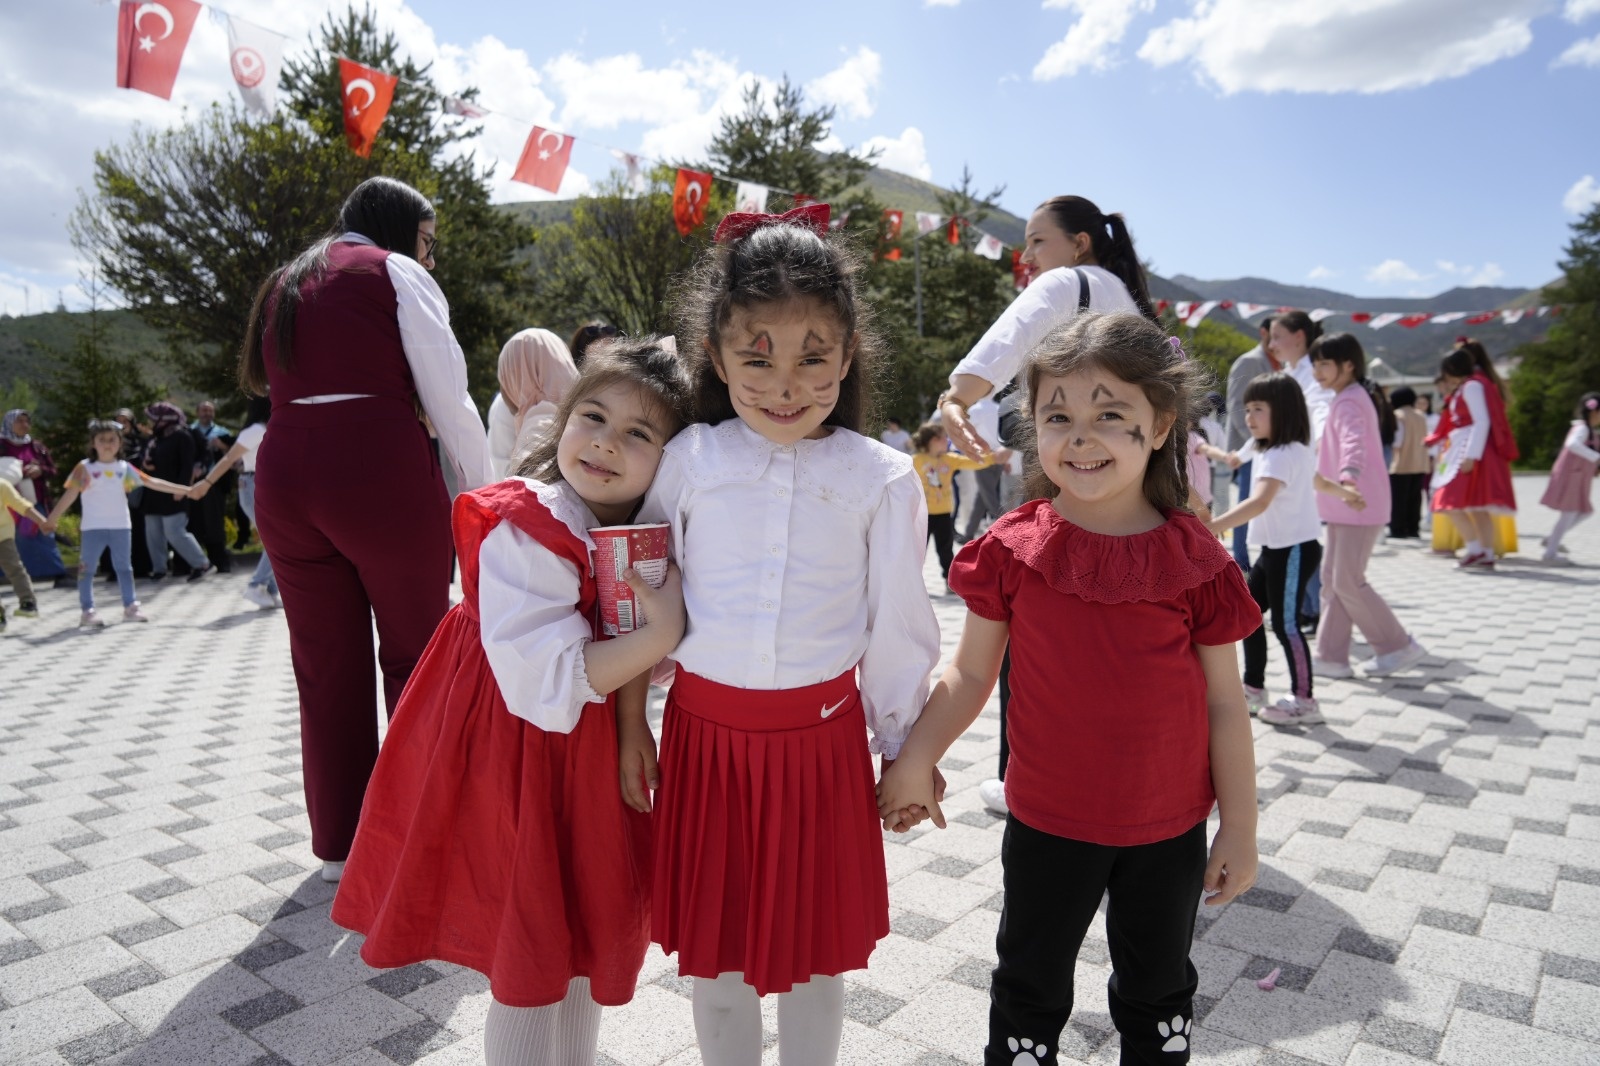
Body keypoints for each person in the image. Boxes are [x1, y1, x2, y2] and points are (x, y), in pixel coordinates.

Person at [878, 311, 1260, 1066]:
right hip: (1049, 821)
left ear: (1159, 426)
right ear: (1034, 429)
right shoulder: (1016, 550)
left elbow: (1225, 702)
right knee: (1029, 988)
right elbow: (970, 672)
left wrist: (1241, 829)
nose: (1081, 438)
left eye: (1110, 416)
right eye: (1059, 417)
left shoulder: (1196, 557)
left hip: (1169, 828)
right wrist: (916, 757)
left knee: (1158, 992)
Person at [618, 206, 942, 1066]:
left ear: (848, 355)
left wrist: (902, 750)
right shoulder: (689, 457)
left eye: (813, 358)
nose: (786, 384)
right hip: (703, 745)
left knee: (812, 963)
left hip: (823, 752)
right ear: (717, 357)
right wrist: (627, 726)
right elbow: (639, 593)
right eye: (757, 357)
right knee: (716, 962)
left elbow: (900, 629)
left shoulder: (879, 478)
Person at [332, 340, 690, 1066]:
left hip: (577, 751)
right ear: (563, 419)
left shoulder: (632, 532)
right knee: (530, 950)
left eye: (639, 433)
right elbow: (547, 683)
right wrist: (665, 630)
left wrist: (636, 714)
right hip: (511, 747)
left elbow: (625, 659)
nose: (605, 444)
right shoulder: (531, 526)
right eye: (593, 416)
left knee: (586, 930)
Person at [239, 175, 493, 881]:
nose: (430, 258)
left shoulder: (287, 282)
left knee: (324, 666)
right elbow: (448, 394)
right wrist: (487, 493)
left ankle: (340, 844)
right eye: (428, 241)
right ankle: (420, 829)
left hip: (285, 475)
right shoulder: (393, 271)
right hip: (375, 467)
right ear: (398, 227)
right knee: (417, 653)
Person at [935, 194, 1153, 817]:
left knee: (1033, 627)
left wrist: (959, 394)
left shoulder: (1069, 282)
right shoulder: (1129, 303)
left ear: (1078, 242)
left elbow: (1007, 339)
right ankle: (1118, 772)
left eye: (1037, 241)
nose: (1027, 257)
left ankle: (1021, 777)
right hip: (1128, 485)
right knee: (1113, 633)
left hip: (1059, 481)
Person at [1205, 374, 1331, 723]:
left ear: (1285, 411)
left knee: (1286, 624)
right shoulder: (1275, 449)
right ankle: (1255, 688)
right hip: (1277, 551)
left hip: (1292, 552)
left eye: (1258, 409)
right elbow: (1316, 481)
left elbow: (1259, 502)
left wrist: (1214, 526)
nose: (1249, 417)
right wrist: (1348, 494)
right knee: (1248, 615)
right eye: (1247, 409)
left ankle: (1305, 702)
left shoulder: (1280, 454)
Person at [1308, 334, 1426, 681]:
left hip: (1356, 501)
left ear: (1349, 366)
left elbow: (1353, 441)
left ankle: (1396, 645)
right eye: (1314, 363)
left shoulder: (1348, 401)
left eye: (1324, 363)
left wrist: (1348, 478)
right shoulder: (1348, 396)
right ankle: (1331, 657)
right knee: (1334, 580)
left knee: (1347, 581)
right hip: (1346, 503)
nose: (1317, 371)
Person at [43, 420, 193, 626]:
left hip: (121, 526)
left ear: (120, 444)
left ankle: (130, 607)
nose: (107, 444)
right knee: (87, 568)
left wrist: (183, 489)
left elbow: (151, 482)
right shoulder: (85, 468)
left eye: (112, 440)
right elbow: (70, 495)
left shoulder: (124, 468)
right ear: (93, 443)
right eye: (101, 439)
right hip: (92, 528)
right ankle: (87, 611)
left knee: (124, 568)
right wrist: (53, 518)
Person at [1428, 339, 1518, 571]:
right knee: (1471, 506)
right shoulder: (1470, 386)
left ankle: (1479, 550)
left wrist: (1471, 456)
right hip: (1462, 447)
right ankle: (1481, 552)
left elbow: (1482, 421)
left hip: (1467, 450)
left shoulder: (1472, 386)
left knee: (1453, 503)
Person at [188, 397, 277, 608]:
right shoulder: (256, 430)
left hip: (263, 484)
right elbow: (228, 459)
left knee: (273, 540)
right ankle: (256, 586)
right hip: (254, 485)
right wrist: (206, 483)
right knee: (277, 539)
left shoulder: (268, 427)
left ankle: (271, 591)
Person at [912, 422, 1004, 587]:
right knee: (917, 551)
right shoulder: (916, 460)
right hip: (921, 514)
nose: (947, 440)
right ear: (934, 440)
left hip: (943, 514)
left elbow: (972, 462)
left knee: (945, 549)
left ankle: (950, 581)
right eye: (944, 438)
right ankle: (910, 582)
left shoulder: (950, 459)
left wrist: (993, 458)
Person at [1223, 318, 1280, 570]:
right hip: (1252, 449)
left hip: (1273, 448)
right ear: (1264, 332)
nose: (1278, 341)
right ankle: (1240, 563)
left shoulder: (1283, 363)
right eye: (1275, 334)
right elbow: (1236, 407)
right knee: (1246, 506)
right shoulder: (1249, 361)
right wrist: (1256, 445)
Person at [487, 328, 580, 478]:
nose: (504, 387)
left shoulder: (541, 423)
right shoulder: (587, 407)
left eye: (508, 376)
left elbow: (523, 492)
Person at [139, 402, 212, 582]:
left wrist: (183, 489)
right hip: (153, 493)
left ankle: (202, 564)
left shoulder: (182, 435)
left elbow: (187, 465)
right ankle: (160, 569)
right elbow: (146, 460)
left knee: (174, 531)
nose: (151, 421)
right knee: (153, 532)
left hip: (174, 491)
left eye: (153, 418)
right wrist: (146, 465)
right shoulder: (156, 438)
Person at [0, 409, 69, 586]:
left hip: (35, 500)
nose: (24, 425)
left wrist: (40, 470)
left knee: (44, 534)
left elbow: (53, 470)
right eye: (19, 421)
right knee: (10, 539)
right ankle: (9, 577)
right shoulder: (1, 445)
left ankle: (58, 574)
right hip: (7, 502)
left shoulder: (37, 447)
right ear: (9, 423)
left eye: (27, 421)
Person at [1539, 392, 1600, 563]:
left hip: (1579, 477)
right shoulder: (1582, 428)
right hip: (1571, 476)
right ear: (1594, 412)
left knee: (1584, 511)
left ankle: (1552, 540)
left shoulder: (1589, 430)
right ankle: (1550, 553)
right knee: (1571, 512)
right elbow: (1572, 444)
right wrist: (1596, 458)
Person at [0, 460, 48, 630]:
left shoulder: (2, 485)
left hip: (2, 536)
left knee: (14, 567)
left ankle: (28, 602)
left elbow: (22, 505)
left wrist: (42, 521)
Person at [188, 400, 234, 571]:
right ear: (197, 412)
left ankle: (220, 561)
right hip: (195, 481)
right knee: (196, 522)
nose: (206, 413)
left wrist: (221, 445)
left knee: (215, 522)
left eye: (210, 410)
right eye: (203, 410)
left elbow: (234, 455)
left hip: (216, 483)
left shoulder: (222, 433)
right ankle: (198, 562)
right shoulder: (189, 431)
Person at [1387, 386, 1429, 540]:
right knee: (1415, 498)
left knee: (1399, 499)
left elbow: (1397, 441)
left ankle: (1398, 529)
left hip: (1401, 463)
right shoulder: (1421, 416)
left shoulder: (1398, 416)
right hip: (1420, 463)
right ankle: (1413, 528)